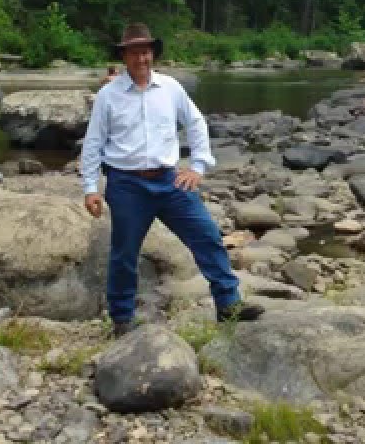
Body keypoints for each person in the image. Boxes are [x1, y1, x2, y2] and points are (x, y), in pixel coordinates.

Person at [81, 22, 264, 337]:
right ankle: (122, 319)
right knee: (124, 252)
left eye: (146, 51)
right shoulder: (107, 96)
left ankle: (228, 303)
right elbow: (93, 143)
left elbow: (195, 123)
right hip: (126, 184)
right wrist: (89, 188)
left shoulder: (170, 88)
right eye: (135, 52)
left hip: (169, 181)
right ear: (124, 56)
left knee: (206, 235)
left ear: (153, 54)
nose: (142, 58)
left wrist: (198, 166)